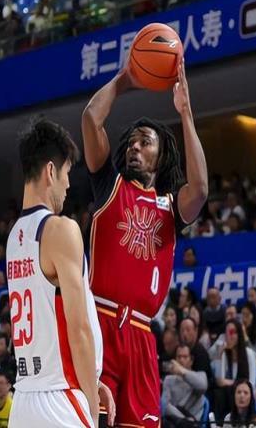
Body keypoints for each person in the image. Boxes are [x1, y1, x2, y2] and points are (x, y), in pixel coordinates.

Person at [82, 62, 207, 427]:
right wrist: (125, 79)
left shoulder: (170, 208)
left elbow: (200, 190)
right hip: (101, 324)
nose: (134, 146)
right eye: (132, 142)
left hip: (140, 334)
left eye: (145, 142)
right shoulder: (110, 185)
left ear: (161, 155)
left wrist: (185, 113)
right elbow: (91, 119)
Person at [6, 117, 113, 427]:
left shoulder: (14, 237)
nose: (68, 185)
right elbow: (78, 329)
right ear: (51, 171)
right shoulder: (60, 229)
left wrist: (91, 380)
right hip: (60, 400)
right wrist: (90, 402)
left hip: (24, 399)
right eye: (66, 173)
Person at [162, 344, 207, 426]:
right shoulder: (169, 380)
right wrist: (183, 419)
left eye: (185, 357)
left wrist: (182, 371)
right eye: (179, 357)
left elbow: (202, 386)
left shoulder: (200, 375)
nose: (181, 360)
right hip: (174, 421)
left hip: (193, 423)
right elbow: (165, 406)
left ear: (191, 360)